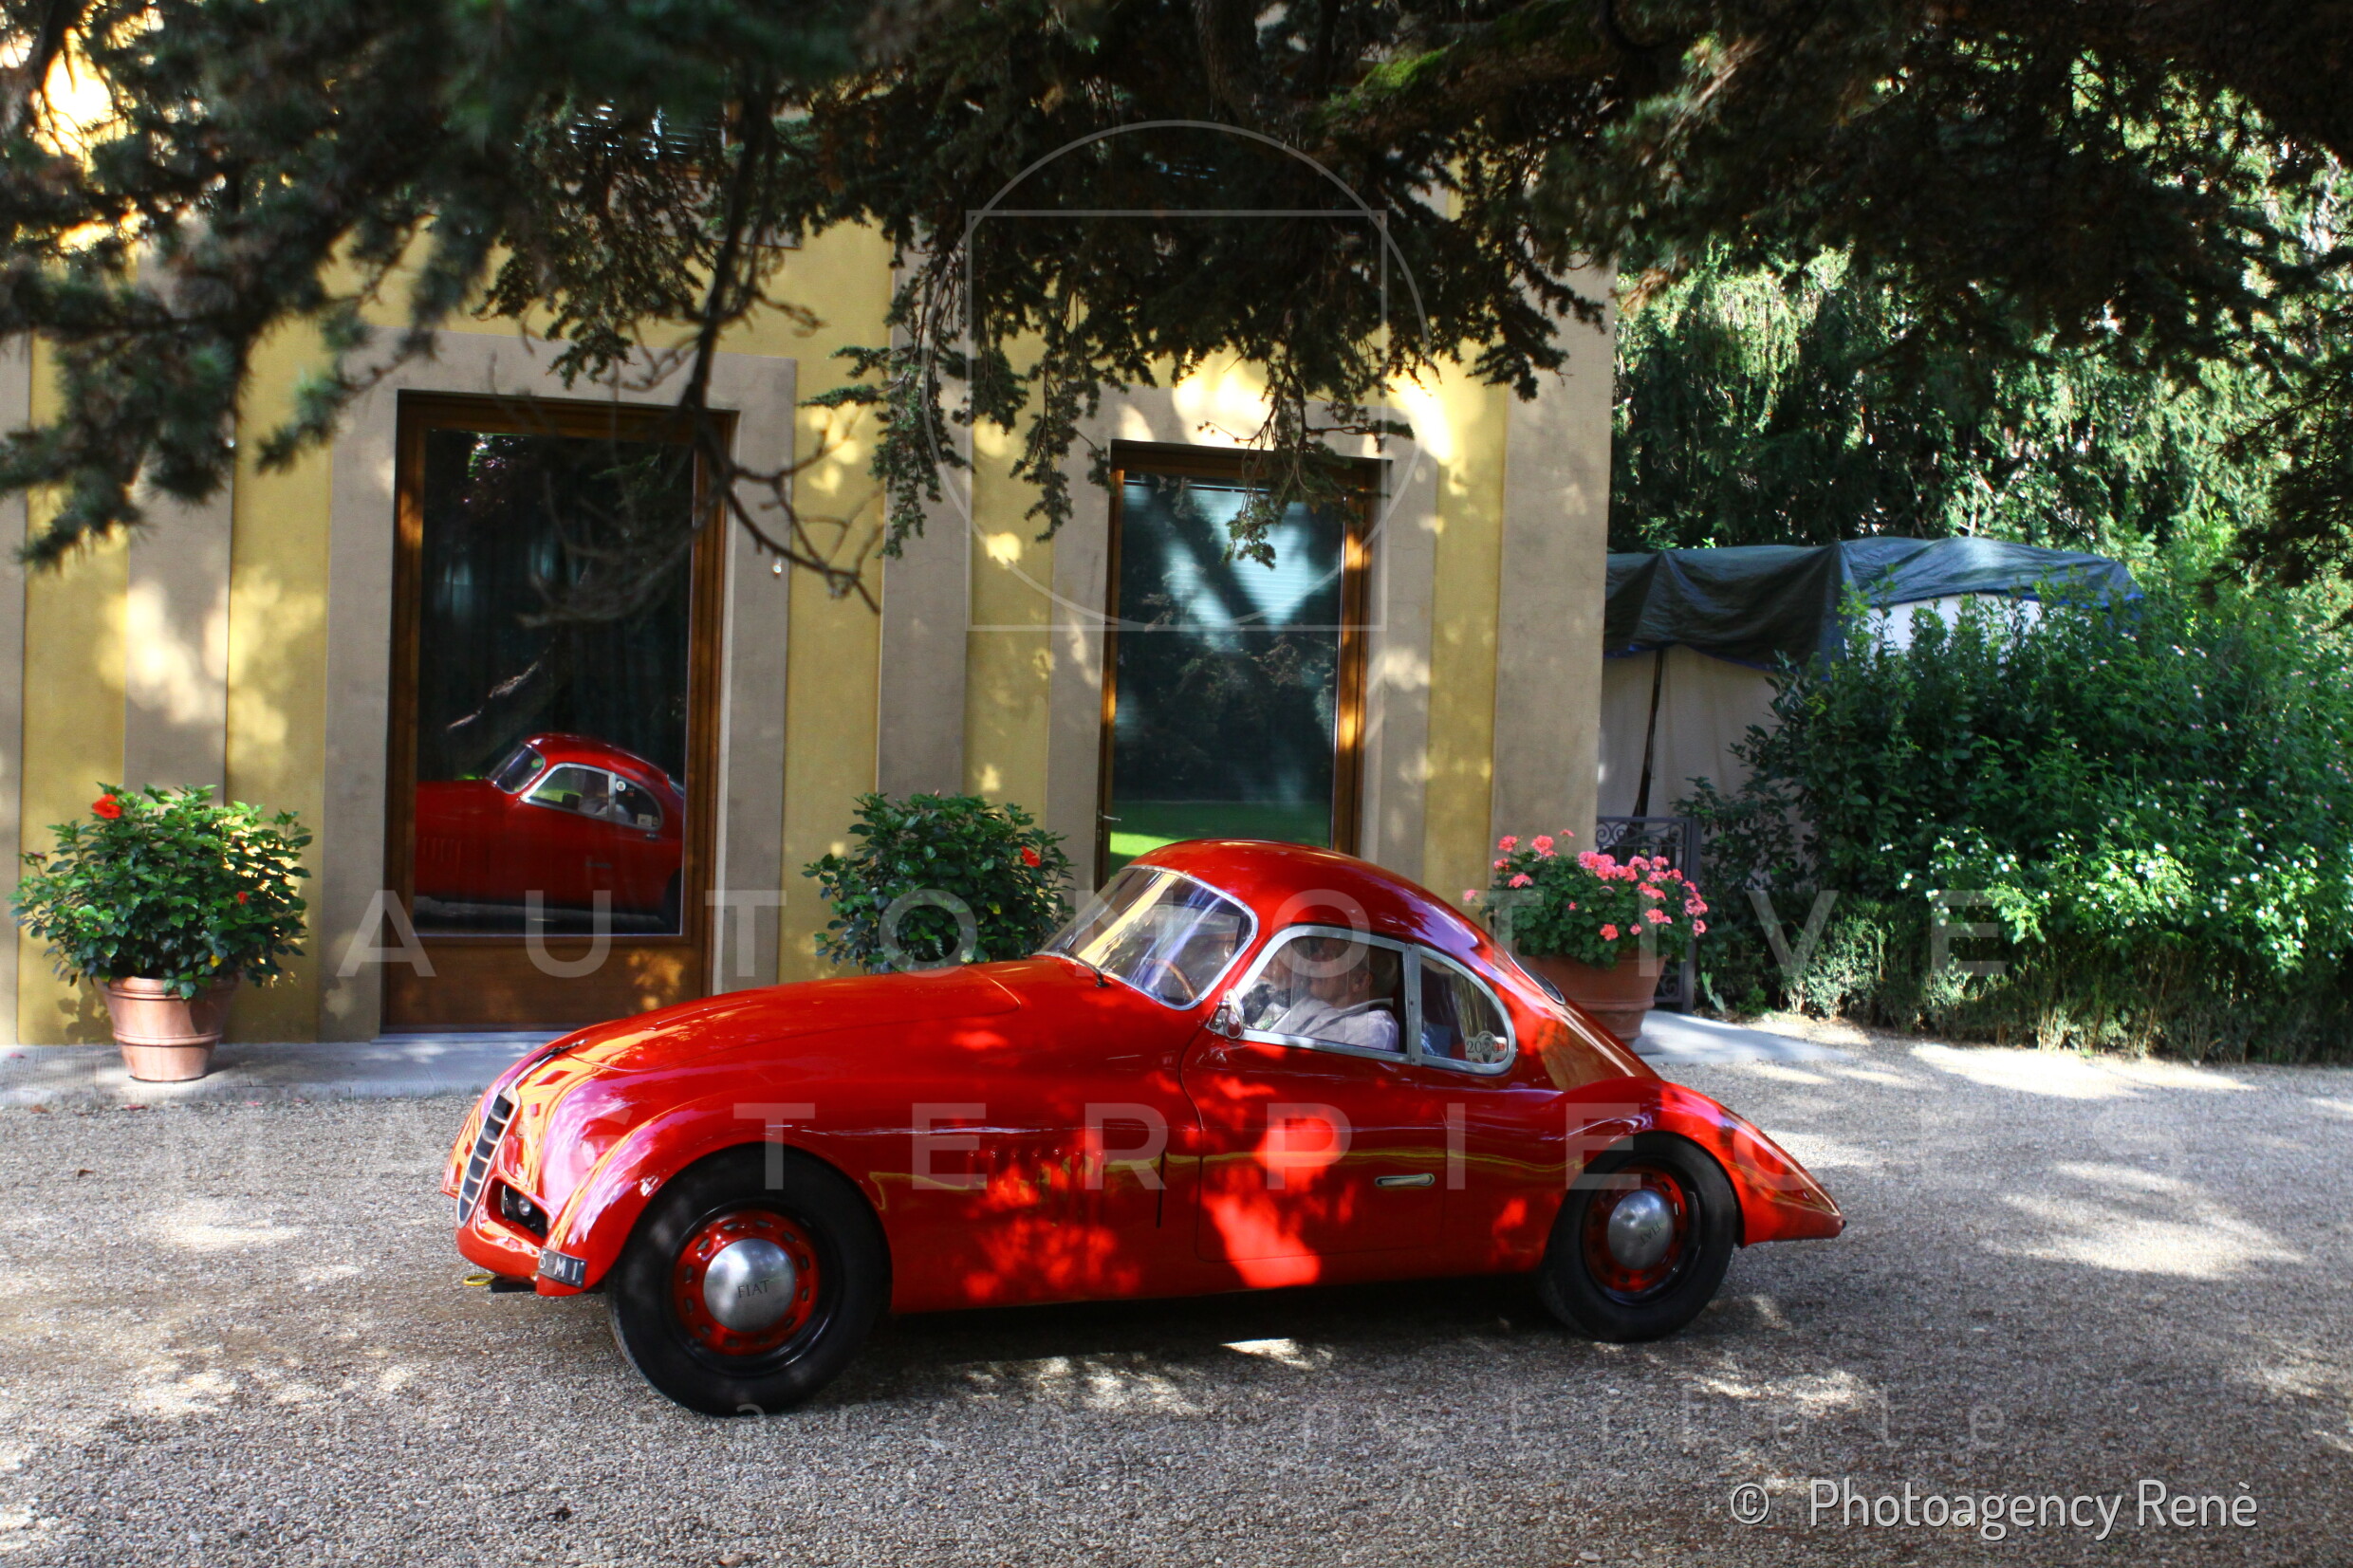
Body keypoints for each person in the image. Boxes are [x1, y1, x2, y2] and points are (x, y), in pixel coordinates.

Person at [1261, 936, 1399, 1051]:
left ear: (1359, 981)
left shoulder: (1374, 1031)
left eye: (1328, 956)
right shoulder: (1314, 1003)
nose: (1312, 962)